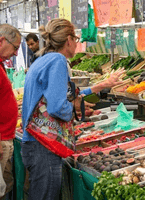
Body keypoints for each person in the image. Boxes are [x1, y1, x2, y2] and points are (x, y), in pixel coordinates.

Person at [21, 19, 124, 200]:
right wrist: (75, 107)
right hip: (44, 147)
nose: (77, 43)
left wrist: (100, 86)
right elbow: (58, 107)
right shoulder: (58, 61)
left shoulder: (43, 60)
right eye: (76, 39)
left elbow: (61, 96)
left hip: (35, 143)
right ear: (69, 39)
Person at [0, 24, 21, 199]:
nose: (15, 53)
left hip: (5, 136)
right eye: (15, 47)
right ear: (1, 41)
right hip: (1, 139)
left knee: (5, 185)